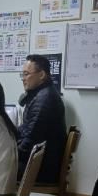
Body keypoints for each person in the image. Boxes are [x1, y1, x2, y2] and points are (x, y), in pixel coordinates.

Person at [18, 54, 66, 184]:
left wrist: (9, 155)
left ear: (42, 75)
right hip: (41, 162)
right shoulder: (43, 94)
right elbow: (26, 130)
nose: (23, 79)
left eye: (26, 74)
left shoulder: (43, 100)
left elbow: (30, 140)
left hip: (40, 168)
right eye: (22, 74)